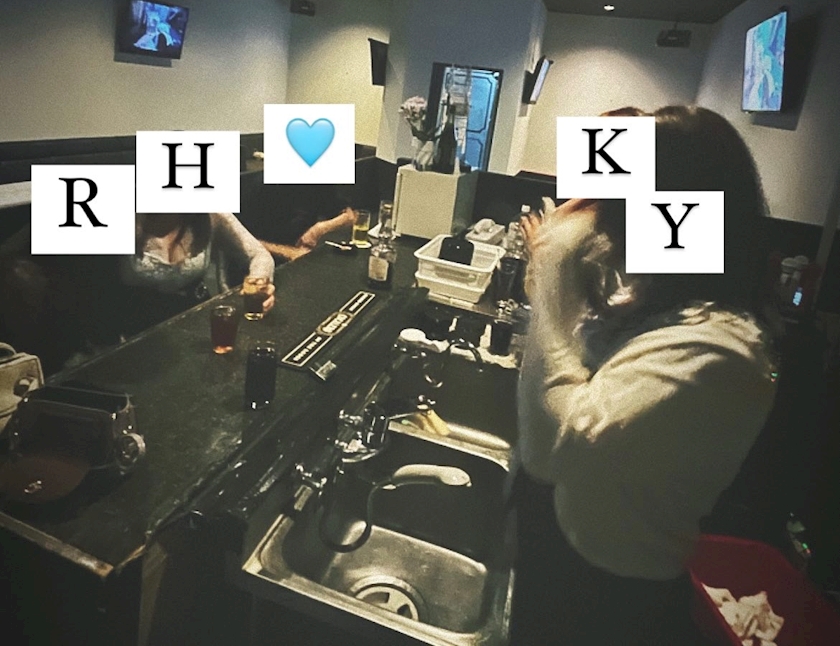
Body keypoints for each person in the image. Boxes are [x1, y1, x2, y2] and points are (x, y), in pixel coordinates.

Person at [511, 106, 778, 645]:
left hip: (606, 601)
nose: (607, 231)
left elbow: (549, 452)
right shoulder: (657, 304)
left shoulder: (720, 347)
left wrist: (554, 264)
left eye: (618, 213)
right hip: (566, 560)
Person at [118, 212, 275, 336]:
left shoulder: (211, 214)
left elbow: (259, 255)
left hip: (196, 323)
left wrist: (259, 284)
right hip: (137, 331)